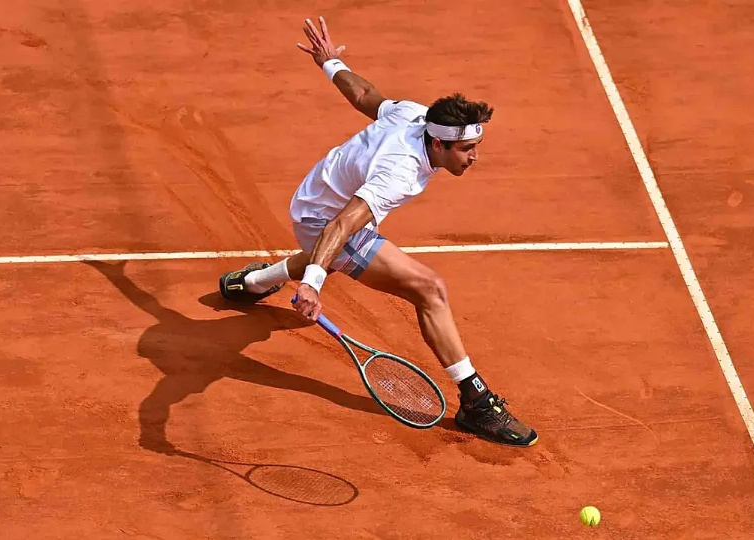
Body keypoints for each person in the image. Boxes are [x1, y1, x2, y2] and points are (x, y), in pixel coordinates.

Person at [218, 16, 537, 447]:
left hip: (317, 193)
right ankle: (476, 403)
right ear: (438, 144)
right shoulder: (398, 174)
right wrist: (312, 285)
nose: (474, 157)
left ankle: (255, 281)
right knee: (429, 289)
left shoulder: (417, 115)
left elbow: (366, 96)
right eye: (466, 149)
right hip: (321, 218)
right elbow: (342, 224)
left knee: (344, 255)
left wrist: (330, 62)